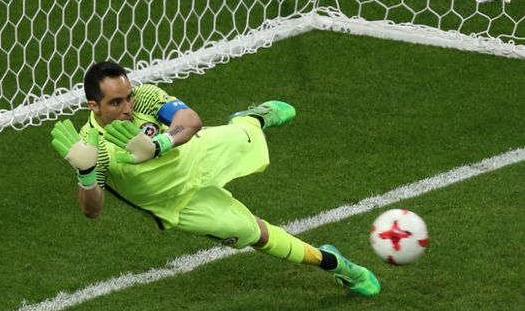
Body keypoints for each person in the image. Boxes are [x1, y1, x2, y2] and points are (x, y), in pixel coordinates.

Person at [50, 61, 380, 296]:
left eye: (128, 97)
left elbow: (189, 120)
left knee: (247, 137)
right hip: (179, 202)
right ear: (93, 105)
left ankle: (252, 118)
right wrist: (86, 175)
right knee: (253, 233)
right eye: (116, 102)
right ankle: (336, 264)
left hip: (198, 153)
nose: (127, 107)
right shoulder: (91, 147)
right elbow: (92, 211)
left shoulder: (146, 98)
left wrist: (159, 144)